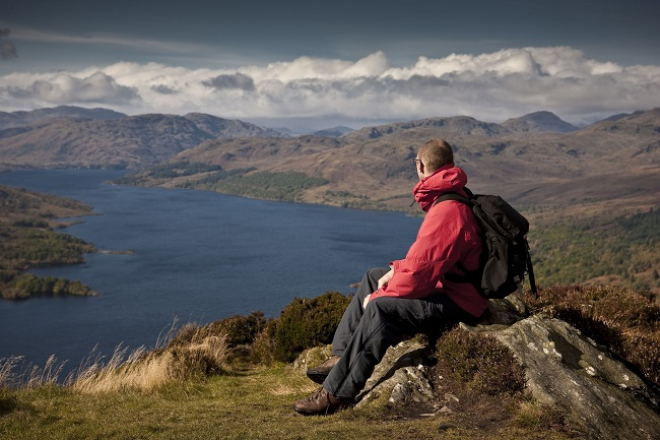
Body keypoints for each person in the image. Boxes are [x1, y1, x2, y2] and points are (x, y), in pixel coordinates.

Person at [293, 138, 489, 416]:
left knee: (380, 308)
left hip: (462, 302)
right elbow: (425, 261)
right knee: (374, 276)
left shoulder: (447, 211)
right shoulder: (453, 197)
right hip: (453, 288)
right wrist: (394, 272)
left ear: (420, 166)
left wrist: (380, 295)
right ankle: (340, 357)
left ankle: (337, 393)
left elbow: (419, 276)